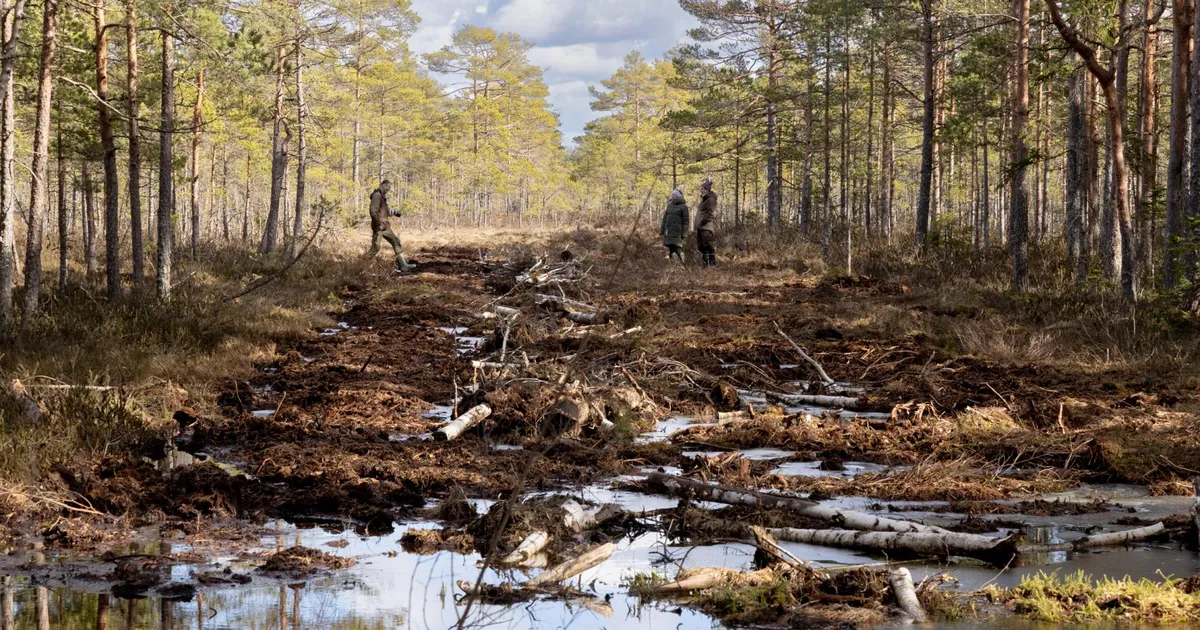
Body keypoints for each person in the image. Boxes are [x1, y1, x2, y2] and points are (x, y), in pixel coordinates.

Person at [364, 179, 415, 272]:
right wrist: (378, 223)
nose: (388, 189)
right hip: (379, 226)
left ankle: (403, 265)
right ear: (382, 185)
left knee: (396, 241)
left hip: (385, 226)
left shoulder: (382, 197)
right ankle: (361, 265)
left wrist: (394, 213)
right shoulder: (377, 195)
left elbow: (384, 210)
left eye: (389, 188)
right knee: (375, 248)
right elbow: (373, 211)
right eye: (387, 187)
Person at [660, 188, 689, 263]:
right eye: (672, 194)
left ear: (678, 196)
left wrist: (684, 234)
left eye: (674, 194)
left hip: (677, 232)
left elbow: (686, 222)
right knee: (671, 247)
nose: (672, 196)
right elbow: (664, 219)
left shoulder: (683, 207)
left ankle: (683, 262)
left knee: (678, 247)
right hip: (669, 231)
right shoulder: (669, 205)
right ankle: (674, 265)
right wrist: (662, 230)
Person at [695, 179, 718, 267]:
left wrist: (703, 222)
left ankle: (712, 265)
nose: (700, 190)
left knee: (708, 246)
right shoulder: (704, 200)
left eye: (702, 188)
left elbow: (711, 213)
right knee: (702, 247)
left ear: (706, 189)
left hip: (706, 227)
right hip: (701, 227)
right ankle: (705, 265)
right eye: (700, 188)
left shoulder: (711, 199)